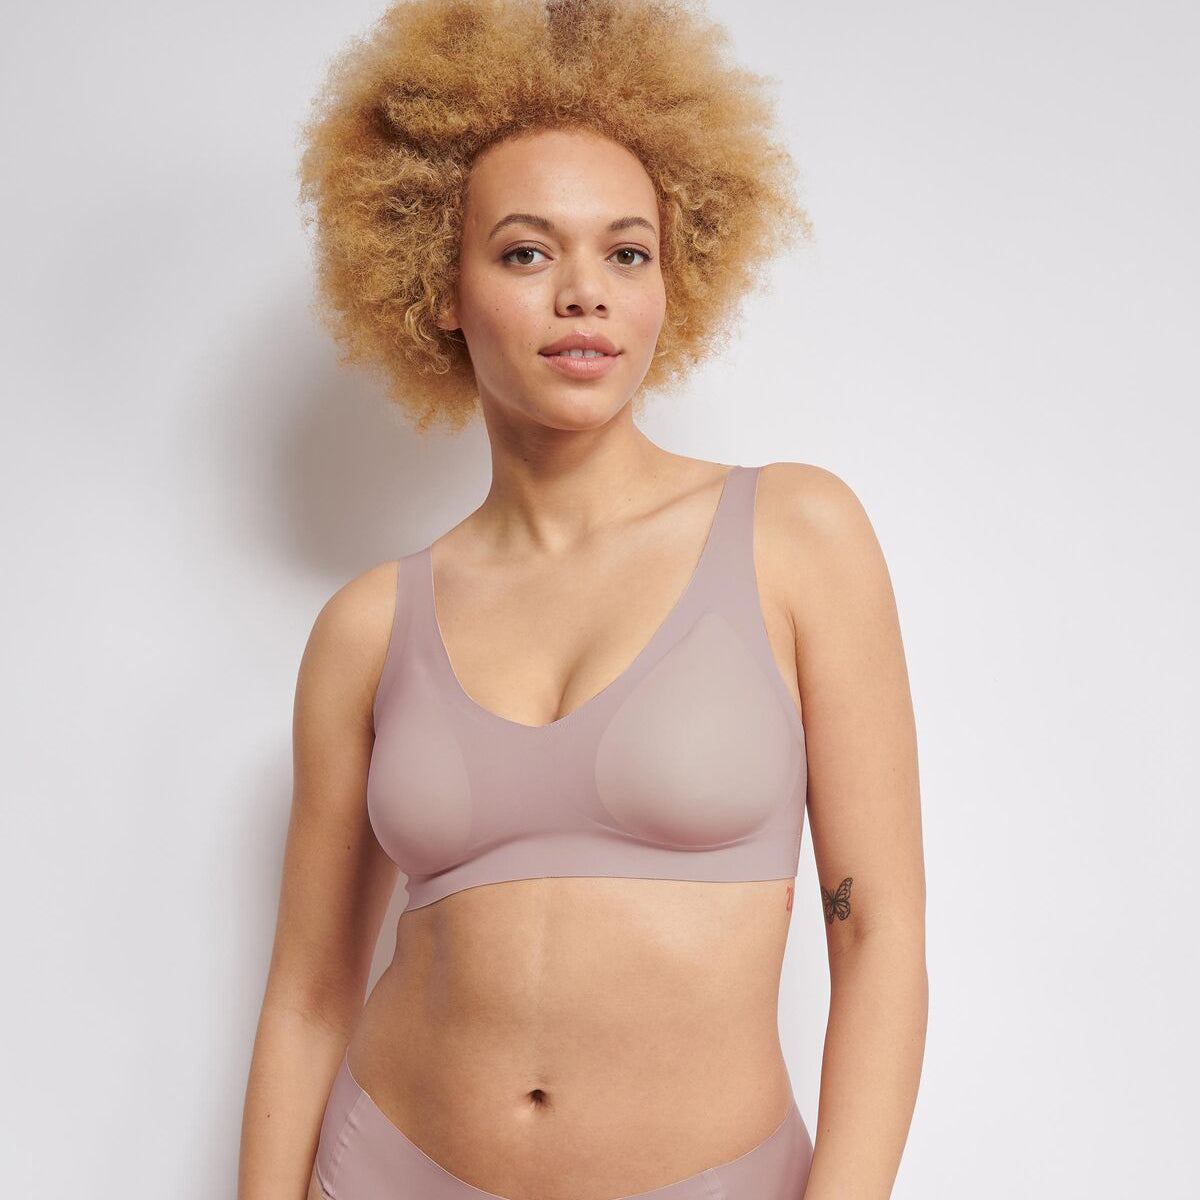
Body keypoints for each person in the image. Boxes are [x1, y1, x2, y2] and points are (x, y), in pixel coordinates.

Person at [238, 2, 928, 1198]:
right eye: (525, 253)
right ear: (440, 286)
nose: (584, 295)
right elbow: (307, 995)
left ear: (672, 280)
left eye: (627, 253)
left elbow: (880, 942)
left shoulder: (795, 536)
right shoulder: (367, 627)